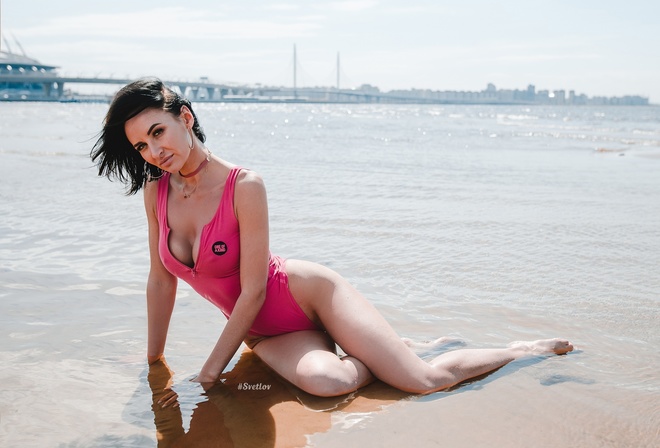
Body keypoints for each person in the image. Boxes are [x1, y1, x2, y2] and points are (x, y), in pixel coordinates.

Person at [91, 78, 573, 398]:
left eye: (159, 132)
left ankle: (521, 350)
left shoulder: (245, 185)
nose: (154, 151)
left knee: (423, 383)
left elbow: (255, 289)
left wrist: (211, 370)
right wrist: (154, 361)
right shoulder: (155, 193)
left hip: (306, 295)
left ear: (186, 119)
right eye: (141, 145)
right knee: (329, 383)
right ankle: (384, 350)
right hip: (264, 329)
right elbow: (161, 282)